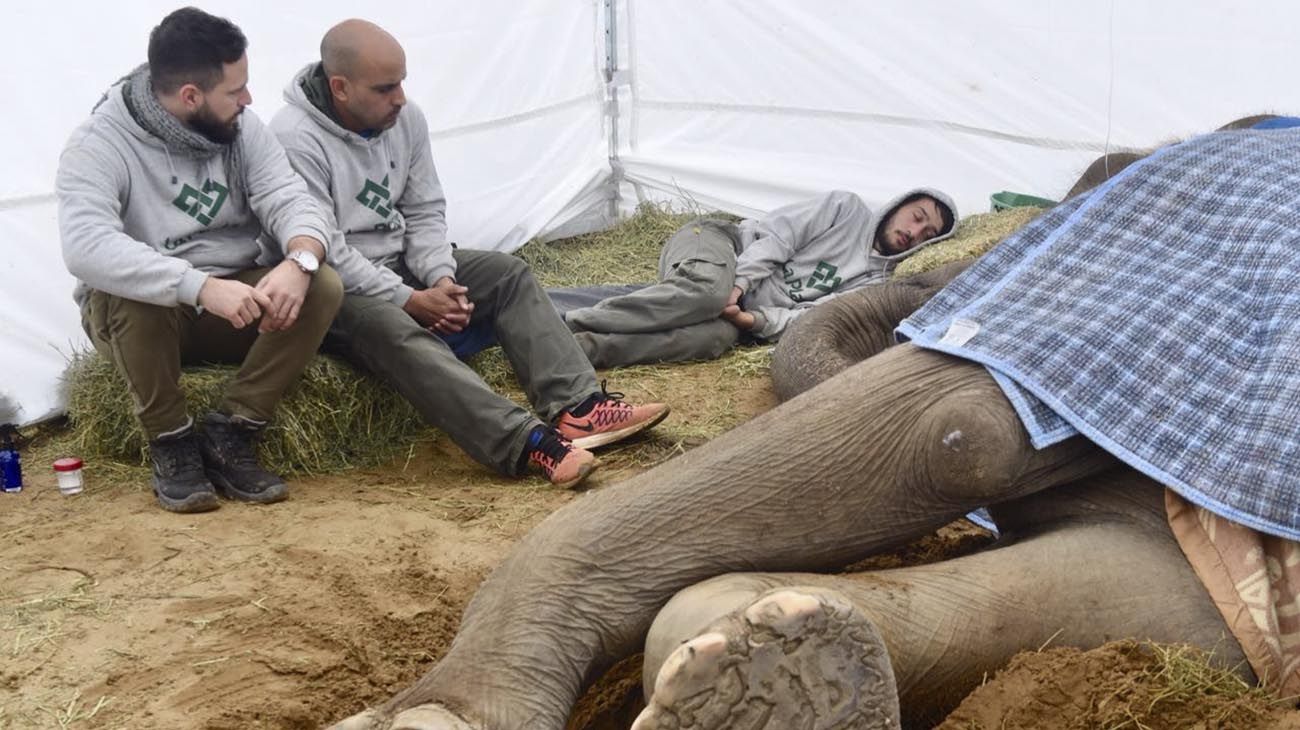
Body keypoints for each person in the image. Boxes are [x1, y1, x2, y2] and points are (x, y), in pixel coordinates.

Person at [269, 20, 669, 489]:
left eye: (401, 82)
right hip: (338, 288)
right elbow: (325, 248)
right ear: (340, 87)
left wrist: (439, 278)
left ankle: (578, 408)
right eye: (385, 88)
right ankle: (526, 443)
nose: (400, 97)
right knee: (394, 328)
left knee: (507, 274)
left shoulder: (405, 118)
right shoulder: (294, 137)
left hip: (399, 267)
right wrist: (409, 301)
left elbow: (423, 209)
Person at [55, 8, 345, 514]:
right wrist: (199, 286)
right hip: (145, 321)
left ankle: (231, 431)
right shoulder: (98, 144)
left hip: (230, 305)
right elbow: (86, 246)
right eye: (235, 91)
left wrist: (300, 259)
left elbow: (291, 197)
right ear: (190, 96)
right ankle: (172, 444)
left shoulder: (242, 128)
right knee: (135, 296)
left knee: (323, 286)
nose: (249, 100)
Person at [562, 189, 957, 368]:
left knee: (713, 338)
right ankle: (564, 326)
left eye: (928, 234)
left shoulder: (879, 287)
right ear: (900, 205)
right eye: (917, 216)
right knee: (703, 293)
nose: (915, 231)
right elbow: (778, 239)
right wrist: (739, 285)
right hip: (722, 247)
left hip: (738, 312)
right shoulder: (846, 208)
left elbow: (817, 315)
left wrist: (757, 321)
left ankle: (577, 349)